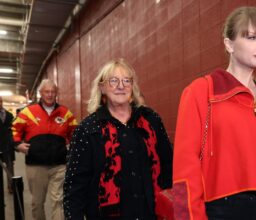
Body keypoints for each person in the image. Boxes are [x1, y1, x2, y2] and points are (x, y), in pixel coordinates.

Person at [172, 6, 256, 220]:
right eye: (251, 37)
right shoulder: (201, 92)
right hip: (221, 210)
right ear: (229, 44)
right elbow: (185, 170)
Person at [63, 58, 173, 220]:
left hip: (151, 213)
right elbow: (74, 186)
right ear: (102, 87)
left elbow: (169, 165)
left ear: (132, 86)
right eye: (113, 81)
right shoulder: (87, 129)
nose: (121, 86)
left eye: (126, 81)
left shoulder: (151, 120)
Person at [12, 79, 77, 220]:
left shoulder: (65, 113)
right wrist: (17, 145)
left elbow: (75, 133)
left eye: (53, 92)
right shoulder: (28, 112)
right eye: (47, 91)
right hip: (36, 166)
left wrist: (73, 149)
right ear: (41, 93)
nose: (50, 94)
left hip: (59, 166)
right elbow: (14, 129)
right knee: (37, 203)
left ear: (57, 94)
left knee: (59, 201)